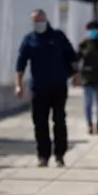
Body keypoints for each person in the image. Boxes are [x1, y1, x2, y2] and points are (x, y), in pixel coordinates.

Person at [15, 9, 79, 167]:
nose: (39, 23)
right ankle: (43, 155)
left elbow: (72, 57)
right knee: (40, 122)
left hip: (58, 86)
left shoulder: (58, 37)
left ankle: (59, 154)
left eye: (41, 20)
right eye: (36, 21)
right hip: (38, 88)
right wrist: (18, 85)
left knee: (59, 120)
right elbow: (20, 64)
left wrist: (77, 75)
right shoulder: (29, 40)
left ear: (46, 19)